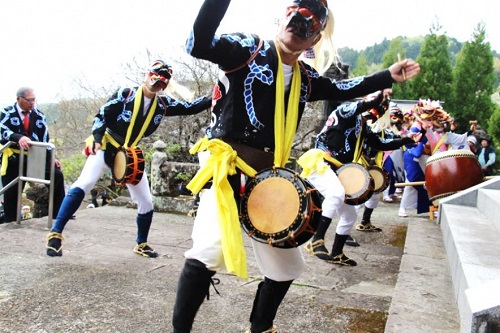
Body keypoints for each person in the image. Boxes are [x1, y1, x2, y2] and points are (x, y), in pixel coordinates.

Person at [172, 1, 420, 332]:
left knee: (287, 266)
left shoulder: (305, 79)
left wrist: (386, 76)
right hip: (225, 165)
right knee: (209, 250)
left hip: (264, 177)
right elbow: (198, 44)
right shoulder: (248, 48)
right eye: (297, 17)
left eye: (312, 25)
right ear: (284, 17)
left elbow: (343, 88)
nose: (301, 26)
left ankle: (260, 327)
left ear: (314, 40)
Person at [45, 60, 211, 257]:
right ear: (145, 75)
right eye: (154, 78)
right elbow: (102, 114)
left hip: (129, 155)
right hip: (106, 147)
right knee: (85, 183)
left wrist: (217, 95)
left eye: (161, 83)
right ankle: (55, 234)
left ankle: (141, 243)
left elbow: (190, 107)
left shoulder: (162, 104)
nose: (156, 84)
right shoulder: (126, 94)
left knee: (146, 201)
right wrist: (97, 138)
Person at [298, 91, 421, 266]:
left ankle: (337, 253)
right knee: (335, 194)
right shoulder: (345, 110)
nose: (374, 116)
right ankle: (316, 240)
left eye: (378, 114)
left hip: (339, 172)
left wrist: (405, 141)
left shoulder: (362, 126)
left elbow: (380, 143)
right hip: (321, 164)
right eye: (375, 111)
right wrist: (378, 98)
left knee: (349, 215)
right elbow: (358, 107)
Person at [0, 87, 66, 223]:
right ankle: (10, 221)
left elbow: (45, 138)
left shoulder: (39, 115)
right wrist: (18, 137)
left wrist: (52, 157)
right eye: (29, 100)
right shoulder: (6, 113)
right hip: (14, 156)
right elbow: (2, 130)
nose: (32, 103)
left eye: (34, 100)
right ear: (19, 99)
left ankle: (59, 214)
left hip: (35, 155)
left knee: (56, 175)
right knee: (12, 191)